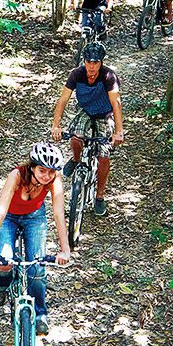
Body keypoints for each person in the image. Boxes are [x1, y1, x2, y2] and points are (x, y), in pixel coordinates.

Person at [0, 143, 71, 336]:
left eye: (51, 172)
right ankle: (0, 285)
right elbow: (0, 213)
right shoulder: (17, 176)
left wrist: (65, 249)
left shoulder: (53, 180)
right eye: (42, 170)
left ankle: (40, 316)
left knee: (37, 266)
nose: (47, 176)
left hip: (34, 218)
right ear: (32, 167)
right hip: (9, 218)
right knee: (5, 260)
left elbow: (59, 213)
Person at [50, 42, 124, 217]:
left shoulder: (108, 77)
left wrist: (118, 131)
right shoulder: (76, 75)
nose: (91, 66)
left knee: (104, 155)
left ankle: (99, 196)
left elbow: (116, 104)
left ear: (101, 63)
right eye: (88, 62)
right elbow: (63, 100)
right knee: (76, 137)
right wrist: (56, 125)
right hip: (85, 110)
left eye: (95, 63)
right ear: (84, 61)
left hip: (104, 114)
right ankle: (76, 160)